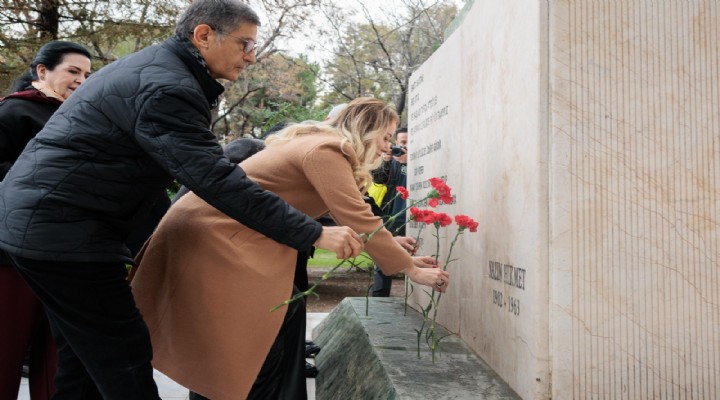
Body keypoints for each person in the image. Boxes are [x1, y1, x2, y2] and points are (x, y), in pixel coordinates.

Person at [0, 1, 362, 398]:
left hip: (47, 226)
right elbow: (215, 180)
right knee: (124, 357)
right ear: (204, 35)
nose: (252, 56)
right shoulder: (168, 86)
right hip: (62, 232)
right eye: (244, 44)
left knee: (84, 360)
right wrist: (311, 232)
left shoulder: (162, 70)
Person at [130, 97, 450, 400]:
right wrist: (410, 270)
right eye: (385, 136)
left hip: (217, 237)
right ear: (365, 128)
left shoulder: (315, 144)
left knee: (244, 346)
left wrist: (395, 249)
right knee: (249, 348)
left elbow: (332, 211)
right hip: (215, 239)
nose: (388, 146)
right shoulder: (327, 149)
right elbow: (357, 216)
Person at [0, 40, 92, 400]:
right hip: (12, 256)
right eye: (73, 71)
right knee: (6, 347)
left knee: (57, 360)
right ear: (42, 71)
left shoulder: (80, 118)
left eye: (86, 75)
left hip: (66, 254)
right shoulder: (13, 113)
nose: (81, 81)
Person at [371, 127, 410, 297]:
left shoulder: (420, 162)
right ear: (396, 143)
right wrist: (386, 160)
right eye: (402, 142)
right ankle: (379, 297)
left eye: (409, 143)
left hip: (412, 218)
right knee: (383, 259)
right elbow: (378, 179)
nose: (404, 147)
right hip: (391, 217)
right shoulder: (390, 161)